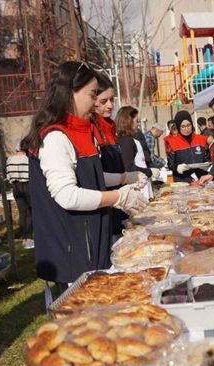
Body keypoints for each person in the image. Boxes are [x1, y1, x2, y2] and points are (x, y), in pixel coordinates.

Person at [23, 61, 149, 289]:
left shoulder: (81, 131)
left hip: (91, 242)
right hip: (72, 249)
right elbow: (67, 195)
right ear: (70, 92)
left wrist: (125, 179)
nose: (95, 102)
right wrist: (118, 197)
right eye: (92, 95)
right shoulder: (55, 138)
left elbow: (91, 177)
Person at [115, 106, 158, 199]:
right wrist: (149, 171)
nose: (138, 124)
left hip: (142, 187)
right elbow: (129, 167)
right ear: (128, 122)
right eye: (136, 121)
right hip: (137, 189)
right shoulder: (126, 141)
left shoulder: (131, 139)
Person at [92, 73, 125, 175]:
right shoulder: (91, 129)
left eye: (112, 99)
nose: (110, 105)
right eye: (103, 101)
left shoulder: (111, 125)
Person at [166, 111, 211, 183]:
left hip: (201, 179)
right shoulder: (171, 142)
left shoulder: (202, 139)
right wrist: (177, 168)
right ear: (178, 127)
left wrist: (207, 165)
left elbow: (207, 158)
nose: (186, 129)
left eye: (188, 125)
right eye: (183, 126)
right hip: (182, 181)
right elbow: (170, 164)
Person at [6, 142, 33, 249]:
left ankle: (24, 238)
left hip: (15, 187)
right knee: (30, 212)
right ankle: (30, 237)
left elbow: (8, 176)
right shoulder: (28, 159)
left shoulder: (9, 160)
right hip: (27, 185)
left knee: (22, 212)